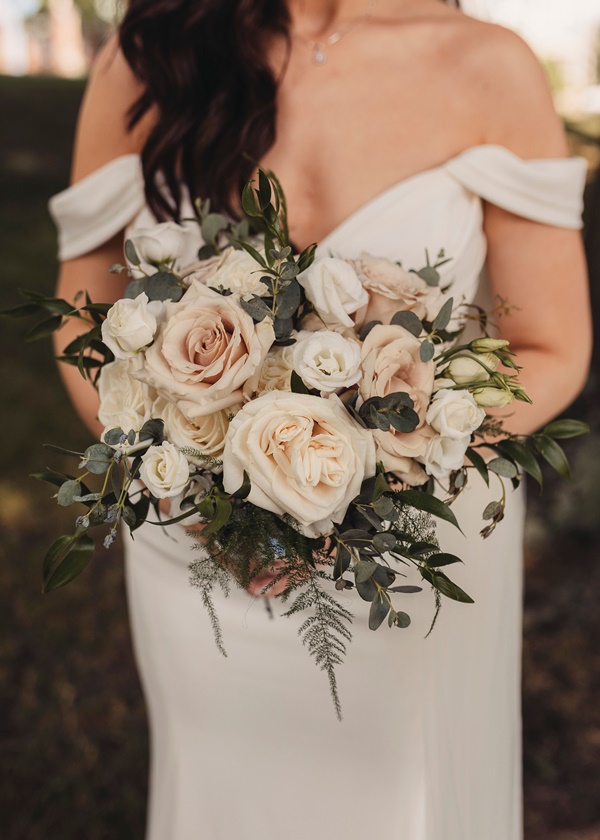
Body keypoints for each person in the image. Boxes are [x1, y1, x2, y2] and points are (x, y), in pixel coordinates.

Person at [49, 1, 592, 838]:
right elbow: (81, 318)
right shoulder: (154, 54)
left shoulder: (488, 64)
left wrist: (370, 479)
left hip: (411, 555)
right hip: (195, 545)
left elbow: (550, 345)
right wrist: (183, 479)